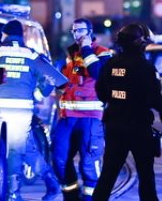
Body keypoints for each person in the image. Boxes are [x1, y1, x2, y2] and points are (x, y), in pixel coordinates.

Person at [0, 20, 68, 201]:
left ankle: (13, 194)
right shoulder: (32, 55)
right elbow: (57, 80)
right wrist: (37, 95)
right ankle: (52, 184)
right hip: (22, 112)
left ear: (4, 34)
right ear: (22, 36)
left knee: (13, 150)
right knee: (25, 148)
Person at [91, 23, 162, 201]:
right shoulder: (146, 68)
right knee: (146, 175)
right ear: (141, 43)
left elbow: (101, 92)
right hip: (139, 128)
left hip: (114, 126)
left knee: (108, 175)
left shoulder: (111, 64)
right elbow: (158, 101)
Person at [51, 18, 114, 201]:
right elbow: (69, 80)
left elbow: (97, 73)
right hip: (67, 117)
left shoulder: (103, 53)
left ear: (89, 31)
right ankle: (71, 197)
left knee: (89, 163)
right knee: (59, 159)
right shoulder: (71, 55)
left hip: (90, 118)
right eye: (74, 31)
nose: (76, 34)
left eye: (80, 30)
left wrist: (86, 48)